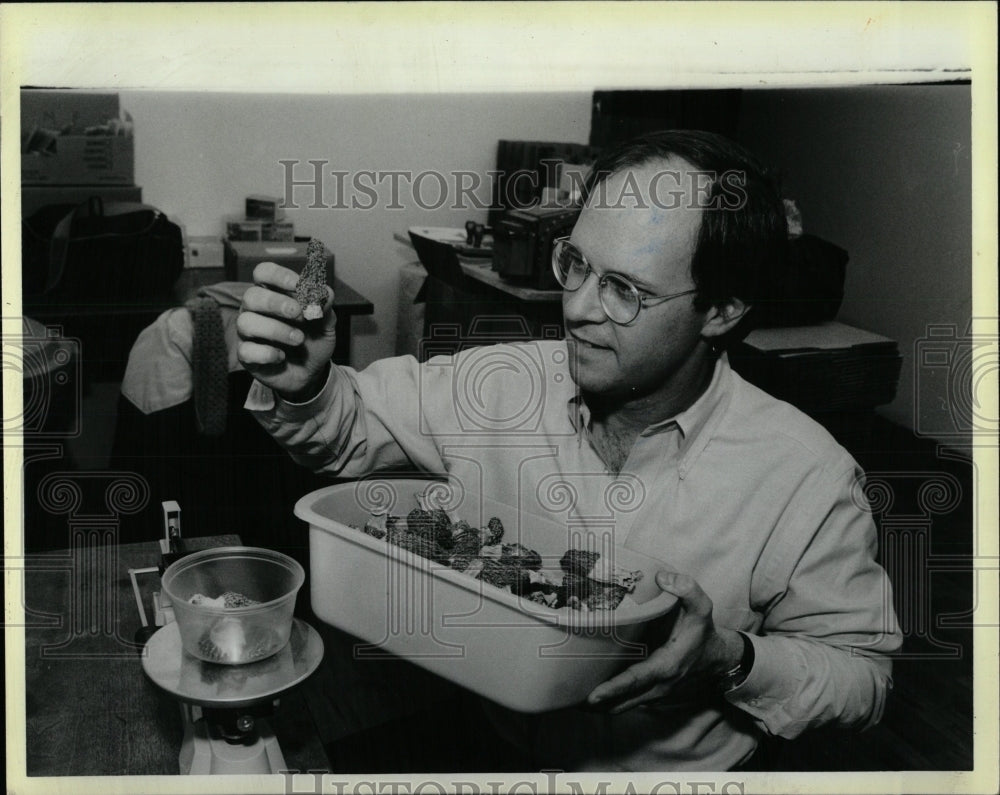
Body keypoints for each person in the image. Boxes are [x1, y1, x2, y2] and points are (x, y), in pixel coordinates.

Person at [236, 130, 902, 771]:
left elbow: (862, 679)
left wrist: (729, 657)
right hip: (486, 743)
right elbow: (347, 425)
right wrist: (308, 383)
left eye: (625, 289)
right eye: (576, 264)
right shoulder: (503, 383)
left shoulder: (806, 474)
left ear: (722, 309)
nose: (577, 308)